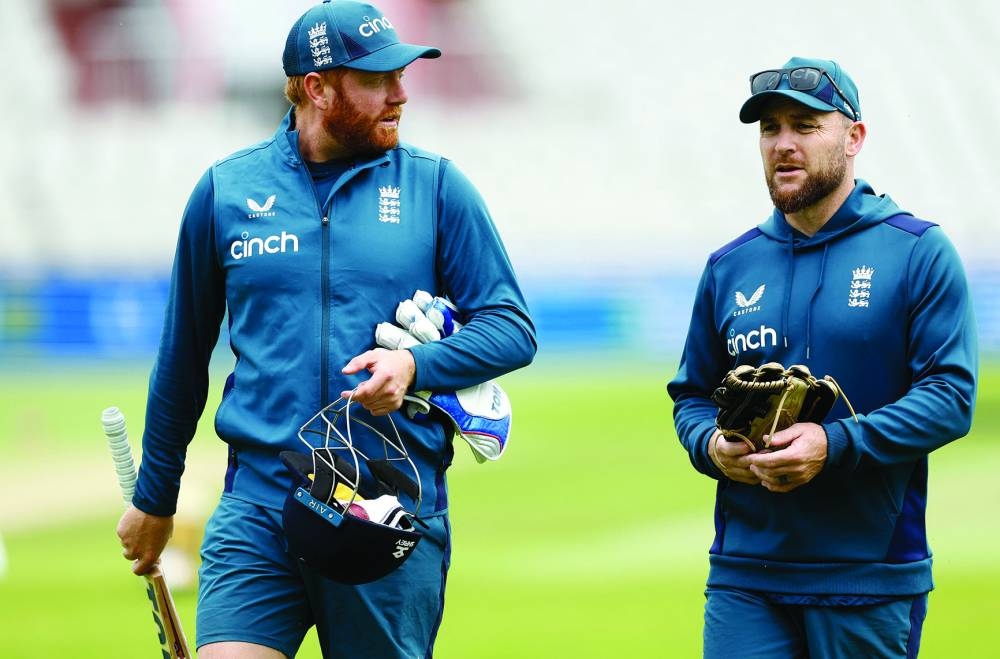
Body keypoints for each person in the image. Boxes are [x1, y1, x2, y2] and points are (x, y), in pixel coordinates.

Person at [115, 1, 537, 657]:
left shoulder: (436, 188)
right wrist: (155, 498)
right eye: (375, 79)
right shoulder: (226, 192)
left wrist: (415, 366)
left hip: (386, 510)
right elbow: (182, 360)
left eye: (400, 76)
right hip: (258, 508)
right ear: (317, 88)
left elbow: (512, 327)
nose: (400, 94)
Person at [667, 57, 977, 658]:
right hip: (744, 576)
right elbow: (692, 396)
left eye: (805, 126)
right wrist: (710, 445)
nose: (783, 144)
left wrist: (832, 444)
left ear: (853, 137)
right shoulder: (729, 265)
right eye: (770, 128)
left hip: (869, 577)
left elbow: (950, 398)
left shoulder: (917, 251)